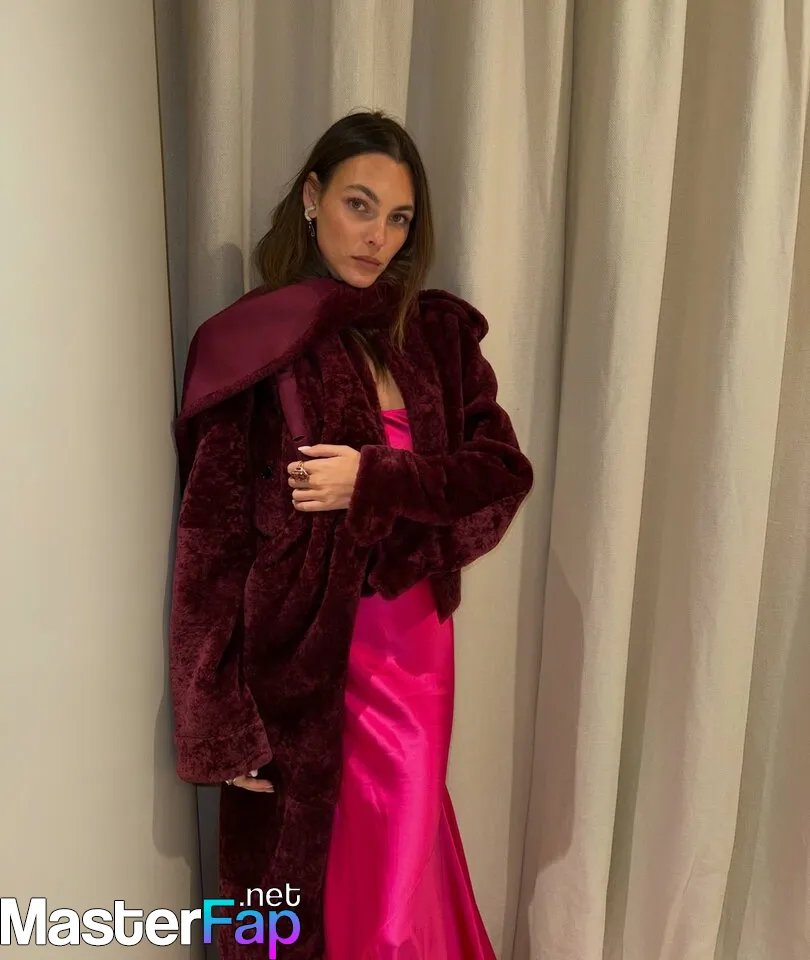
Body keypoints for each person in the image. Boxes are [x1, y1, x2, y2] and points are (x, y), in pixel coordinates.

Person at [169, 109, 534, 960]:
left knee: (394, 883)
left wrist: (375, 480)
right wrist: (215, 715)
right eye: (358, 205)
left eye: (398, 218)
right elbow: (210, 544)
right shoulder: (251, 343)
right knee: (296, 891)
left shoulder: (435, 334)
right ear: (311, 198)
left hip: (411, 651)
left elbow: (499, 475)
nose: (377, 237)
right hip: (296, 660)